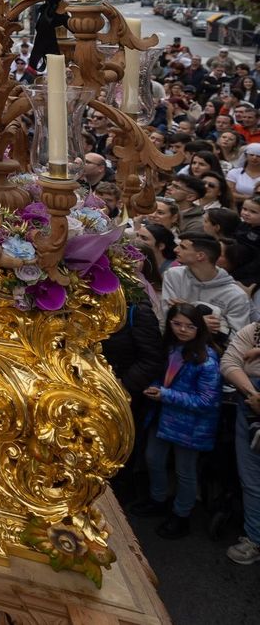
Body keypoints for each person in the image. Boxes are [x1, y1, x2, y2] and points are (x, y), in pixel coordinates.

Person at [131, 302, 222, 538]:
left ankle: (182, 515)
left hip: (189, 425)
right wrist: (155, 387)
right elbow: (162, 378)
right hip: (163, 417)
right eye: (177, 324)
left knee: (185, 471)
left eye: (189, 326)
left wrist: (166, 394)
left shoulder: (206, 360)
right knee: (153, 459)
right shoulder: (170, 348)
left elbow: (206, 401)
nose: (182, 330)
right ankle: (158, 499)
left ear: (199, 329)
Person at [220, 317, 260, 565]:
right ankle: (254, 538)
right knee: (252, 480)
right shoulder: (254, 330)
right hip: (250, 410)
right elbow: (229, 362)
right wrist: (254, 395)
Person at [160, 234, 252, 336]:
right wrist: (199, 322)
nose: (176, 250)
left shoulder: (236, 295)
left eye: (183, 247)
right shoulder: (173, 275)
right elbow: (167, 314)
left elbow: (237, 337)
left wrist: (189, 314)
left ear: (200, 256)